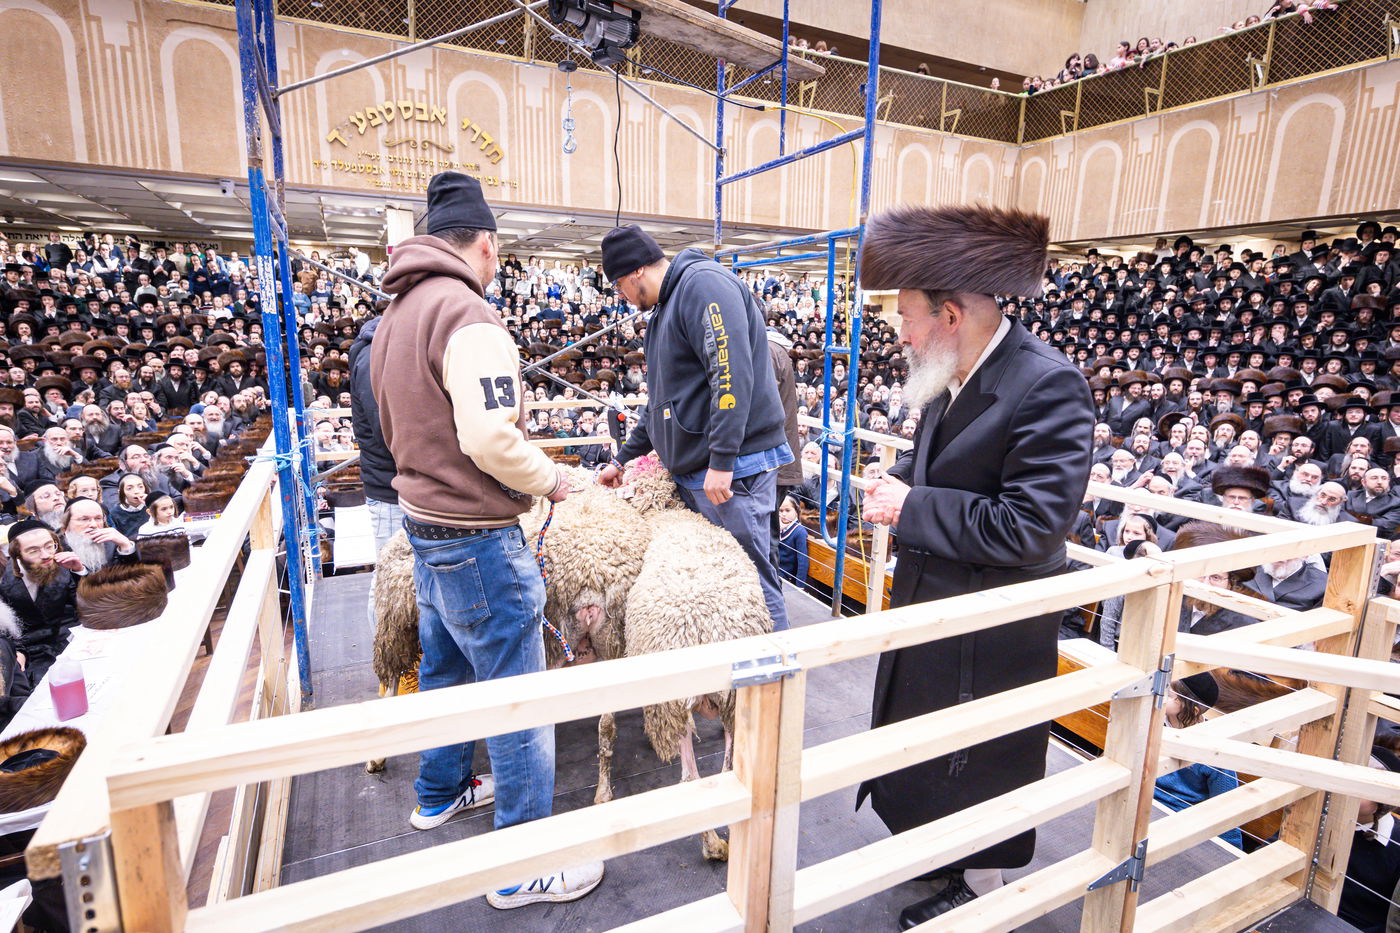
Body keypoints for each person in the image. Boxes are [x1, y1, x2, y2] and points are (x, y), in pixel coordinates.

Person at [855, 204, 1094, 926]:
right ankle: (940, 855)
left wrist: (911, 505)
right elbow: (947, 466)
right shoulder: (955, 368)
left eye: (907, 317)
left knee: (980, 759)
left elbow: (1031, 526)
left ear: (951, 315)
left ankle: (982, 888)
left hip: (993, 629)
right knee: (928, 749)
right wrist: (898, 480)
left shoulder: (1048, 384)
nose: (901, 334)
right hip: (938, 605)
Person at [370, 171, 601, 908]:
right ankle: (520, 866)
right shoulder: (467, 314)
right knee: (518, 700)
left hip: (424, 528)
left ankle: (439, 792)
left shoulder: (398, 311)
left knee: (444, 670)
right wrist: (553, 480)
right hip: (476, 535)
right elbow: (490, 438)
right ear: (489, 245)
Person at [596, 225, 792, 631]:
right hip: (700, 470)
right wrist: (623, 459)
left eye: (619, 285)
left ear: (636, 271)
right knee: (718, 587)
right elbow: (662, 404)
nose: (622, 296)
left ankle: (775, 668)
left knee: (749, 581)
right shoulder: (665, 310)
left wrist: (723, 460)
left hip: (731, 471)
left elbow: (730, 374)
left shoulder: (703, 285)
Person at [0, 519, 83, 680]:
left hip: (68, 641)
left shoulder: (64, 566)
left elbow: (85, 606)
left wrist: (79, 571)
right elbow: (5, 630)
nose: (46, 555)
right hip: (29, 653)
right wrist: (18, 651)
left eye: (49, 546)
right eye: (33, 551)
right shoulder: (3, 580)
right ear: (17, 555)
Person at [775, 494, 809, 589]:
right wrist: (777, 530)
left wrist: (800, 587)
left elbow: (803, 561)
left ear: (796, 511)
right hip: (774, 571)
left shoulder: (799, 532)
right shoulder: (776, 527)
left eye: (788, 510)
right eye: (781, 511)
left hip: (786, 577)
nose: (784, 514)